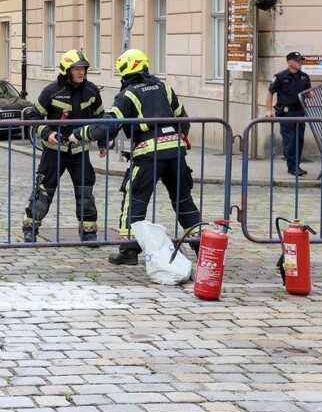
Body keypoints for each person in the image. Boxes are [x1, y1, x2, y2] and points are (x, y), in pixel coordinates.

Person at [77, 49, 203, 265]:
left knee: (134, 198)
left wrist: (82, 134)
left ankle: (128, 250)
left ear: (127, 71)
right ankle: (201, 244)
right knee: (183, 199)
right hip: (175, 152)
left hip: (148, 153)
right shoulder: (164, 87)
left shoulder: (129, 94)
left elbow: (111, 123)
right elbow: (183, 118)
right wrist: (181, 138)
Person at [24, 49, 107, 244]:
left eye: (83, 69)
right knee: (43, 191)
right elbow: (34, 116)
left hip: (80, 151)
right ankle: (30, 228)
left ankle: (89, 233)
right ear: (66, 71)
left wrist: (103, 142)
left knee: (85, 193)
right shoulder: (51, 91)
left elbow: (102, 119)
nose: (81, 73)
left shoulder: (92, 91)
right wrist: (47, 133)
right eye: (77, 69)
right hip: (54, 152)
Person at [266, 51, 313, 177]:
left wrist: (310, 94)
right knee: (290, 139)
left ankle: (296, 165)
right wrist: (269, 110)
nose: (300, 63)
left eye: (300, 60)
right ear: (289, 62)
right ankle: (292, 166)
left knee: (299, 139)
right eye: (297, 60)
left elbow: (308, 92)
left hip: (300, 111)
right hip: (286, 112)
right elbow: (270, 92)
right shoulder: (280, 76)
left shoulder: (304, 77)